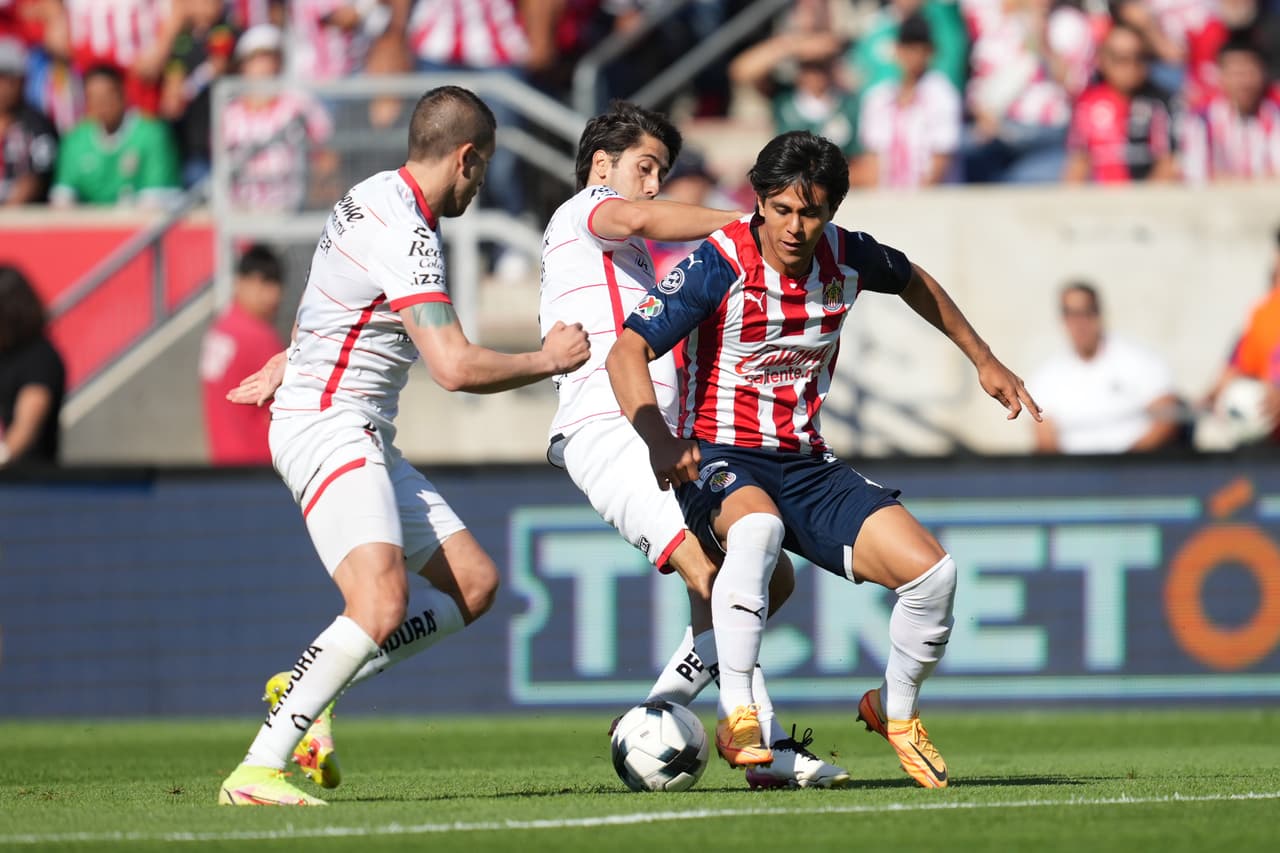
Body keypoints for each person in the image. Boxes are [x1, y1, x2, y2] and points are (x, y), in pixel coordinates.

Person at [606, 130, 1040, 788]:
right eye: (781, 210)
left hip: (807, 463)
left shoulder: (846, 256)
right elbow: (626, 351)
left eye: (810, 212)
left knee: (934, 576)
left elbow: (914, 279)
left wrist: (983, 358)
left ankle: (894, 710)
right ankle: (742, 713)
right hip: (720, 453)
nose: (794, 226)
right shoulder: (718, 262)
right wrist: (660, 442)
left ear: (832, 210)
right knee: (757, 531)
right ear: (759, 203)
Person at [217, 85, 590, 806]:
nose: (479, 186)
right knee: (381, 599)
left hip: (350, 420)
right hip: (329, 422)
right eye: (482, 171)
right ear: (468, 158)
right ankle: (257, 770)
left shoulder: (371, 194)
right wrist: (547, 359)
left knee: (474, 584)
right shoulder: (408, 231)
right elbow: (452, 367)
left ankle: (307, 684)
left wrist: (293, 354)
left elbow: (329, 291)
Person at [540, 102, 849, 789]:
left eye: (661, 172)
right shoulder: (583, 211)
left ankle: (660, 710)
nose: (652, 184)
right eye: (645, 167)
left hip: (661, 430)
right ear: (602, 166)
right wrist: (752, 225)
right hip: (608, 425)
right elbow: (642, 215)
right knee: (713, 573)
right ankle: (760, 740)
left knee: (769, 576)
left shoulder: (630, 258)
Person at [1028, 282, 1181, 454]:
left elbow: (1167, 417)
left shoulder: (1140, 360)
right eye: (1071, 314)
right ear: (1062, 319)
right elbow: (1045, 439)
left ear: (1099, 314)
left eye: (1086, 312)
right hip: (1075, 475)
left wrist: (1126, 466)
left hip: (1136, 471)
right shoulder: (1047, 376)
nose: (1079, 323)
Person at [221, 24, 336, 211]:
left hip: (288, 208)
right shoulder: (229, 113)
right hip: (241, 211)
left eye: (269, 58)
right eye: (256, 59)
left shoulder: (299, 104)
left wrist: (320, 188)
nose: (263, 67)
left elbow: (327, 152)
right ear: (243, 65)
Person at [199, 243, 286, 466]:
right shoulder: (259, 337)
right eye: (263, 283)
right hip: (259, 463)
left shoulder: (221, 327)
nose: (272, 295)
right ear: (240, 282)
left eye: (275, 284)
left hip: (223, 459)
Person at [853, 13, 962, 189]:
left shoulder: (943, 95)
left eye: (920, 49)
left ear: (930, 52)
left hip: (930, 200)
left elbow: (941, 161)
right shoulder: (879, 98)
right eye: (909, 48)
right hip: (886, 199)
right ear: (898, 50)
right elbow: (872, 160)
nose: (914, 56)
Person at [48, 63, 180, 206]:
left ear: (123, 95)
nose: (101, 105)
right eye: (93, 98)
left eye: (107, 96)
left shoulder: (152, 133)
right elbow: (62, 197)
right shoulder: (75, 139)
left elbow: (157, 198)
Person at [1063, 22, 1178, 184]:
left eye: (1138, 57)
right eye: (1120, 58)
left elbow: (1169, 164)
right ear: (1102, 59)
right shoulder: (1086, 103)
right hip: (1101, 199)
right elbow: (1078, 163)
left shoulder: (1162, 103)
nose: (1130, 66)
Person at [1180, 35, 1280, 183]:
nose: (1244, 82)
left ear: (1263, 74)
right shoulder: (1201, 120)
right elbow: (1195, 176)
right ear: (1220, 76)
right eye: (1236, 74)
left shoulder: (1275, 114)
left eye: (1250, 72)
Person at [0, 264, 65, 468]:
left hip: (34, 483)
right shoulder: (7, 356)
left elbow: (25, 430)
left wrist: (3, 454)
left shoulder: (40, 359)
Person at [0, 35, 58, 205]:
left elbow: (34, 181)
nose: (3, 86)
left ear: (21, 81)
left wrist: (6, 219)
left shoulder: (37, 126)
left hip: (22, 222)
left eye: (7, 78)